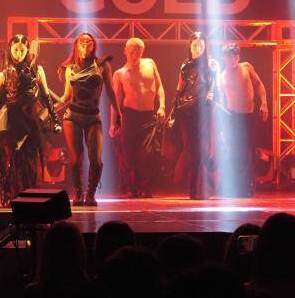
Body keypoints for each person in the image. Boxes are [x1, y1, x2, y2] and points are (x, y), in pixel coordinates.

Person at [0, 34, 61, 207]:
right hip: (12, 121)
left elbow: (46, 96)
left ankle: (29, 194)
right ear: (10, 49)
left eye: (22, 50)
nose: (19, 53)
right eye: (15, 50)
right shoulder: (3, 75)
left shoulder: (38, 70)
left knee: (30, 158)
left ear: (27, 50)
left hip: (31, 120)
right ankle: (14, 194)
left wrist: (55, 119)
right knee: (13, 158)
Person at [57, 33, 120, 206]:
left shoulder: (102, 65)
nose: (85, 45)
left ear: (93, 45)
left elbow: (111, 91)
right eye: (82, 42)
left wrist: (118, 114)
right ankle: (78, 194)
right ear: (76, 45)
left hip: (93, 116)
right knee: (76, 159)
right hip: (72, 116)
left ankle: (91, 194)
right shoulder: (70, 68)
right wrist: (50, 109)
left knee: (96, 159)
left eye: (89, 42)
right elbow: (66, 97)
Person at [111, 37, 165, 198]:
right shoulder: (120, 73)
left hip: (148, 115)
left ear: (142, 51)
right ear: (125, 51)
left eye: (138, 52)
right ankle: (132, 187)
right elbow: (115, 102)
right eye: (132, 52)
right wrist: (113, 123)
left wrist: (162, 106)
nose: (135, 55)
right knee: (129, 154)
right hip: (130, 116)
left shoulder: (150, 63)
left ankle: (145, 187)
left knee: (150, 153)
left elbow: (159, 87)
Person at [170, 31, 217, 199]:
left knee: (201, 147)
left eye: (201, 45)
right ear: (189, 47)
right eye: (195, 45)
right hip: (185, 111)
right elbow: (179, 87)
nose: (198, 48)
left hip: (203, 110)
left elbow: (213, 86)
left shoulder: (211, 64)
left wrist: (211, 95)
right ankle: (193, 188)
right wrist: (173, 109)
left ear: (205, 47)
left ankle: (200, 187)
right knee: (191, 148)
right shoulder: (185, 65)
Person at [217, 43, 268, 197]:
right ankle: (234, 186)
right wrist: (221, 126)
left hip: (248, 115)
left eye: (235, 56)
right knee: (234, 151)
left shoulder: (246, 67)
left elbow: (259, 84)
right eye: (229, 57)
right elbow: (221, 101)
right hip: (232, 117)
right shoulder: (221, 77)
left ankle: (247, 185)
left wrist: (264, 103)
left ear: (238, 57)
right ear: (224, 58)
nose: (232, 60)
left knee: (248, 151)